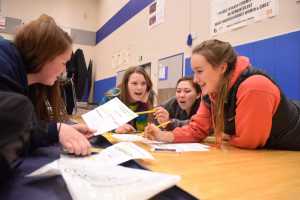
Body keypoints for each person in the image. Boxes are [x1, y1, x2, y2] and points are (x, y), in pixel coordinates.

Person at [144, 39, 300, 150]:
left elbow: (249, 142)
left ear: (222, 68)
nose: (195, 79)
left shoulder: (254, 87)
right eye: (194, 72)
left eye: (199, 71)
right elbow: (197, 129)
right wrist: (163, 136)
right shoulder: (212, 92)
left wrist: (224, 135)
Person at [0, 14, 94, 157]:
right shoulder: (4, 63)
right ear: (45, 55)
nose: (64, 70)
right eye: (63, 63)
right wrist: (56, 131)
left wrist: (60, 130)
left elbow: (21, 127)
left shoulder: (23, 80)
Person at [101, 66, 155, 133]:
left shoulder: (148, 97)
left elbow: (142, 130)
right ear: (126, 85)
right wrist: (115, 129)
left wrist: (144, 105)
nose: (139, 88)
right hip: (108, 142)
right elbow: (96, 124)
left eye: (143, 83)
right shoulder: (112, 96)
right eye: (134, 83)